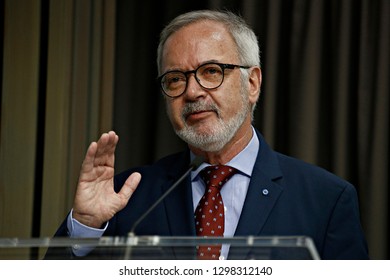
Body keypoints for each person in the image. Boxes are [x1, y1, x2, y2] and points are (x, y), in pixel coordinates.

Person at [49, 10, 368, 260]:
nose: (192, 91)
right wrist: (87, 226)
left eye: (211, 72)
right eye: (175, 79)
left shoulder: (326, 199)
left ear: (252, 83)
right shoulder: (126, 197)